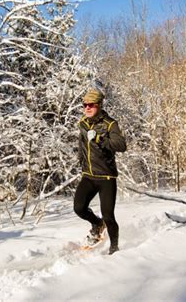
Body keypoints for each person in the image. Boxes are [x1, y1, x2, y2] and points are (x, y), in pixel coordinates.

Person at [74, 88, 127, 255]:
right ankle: (97, 224)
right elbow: (82, 144)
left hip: (106, 177)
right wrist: (81, 160)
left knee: (108, 216)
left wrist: (99, 138)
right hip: (88, 175)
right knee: (79, 208)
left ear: (99, 105)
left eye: (91, 105)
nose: (87, 108)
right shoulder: (83, 123)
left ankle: (114, 248)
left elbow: (121, 146)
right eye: (85, 105)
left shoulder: (110, 124)